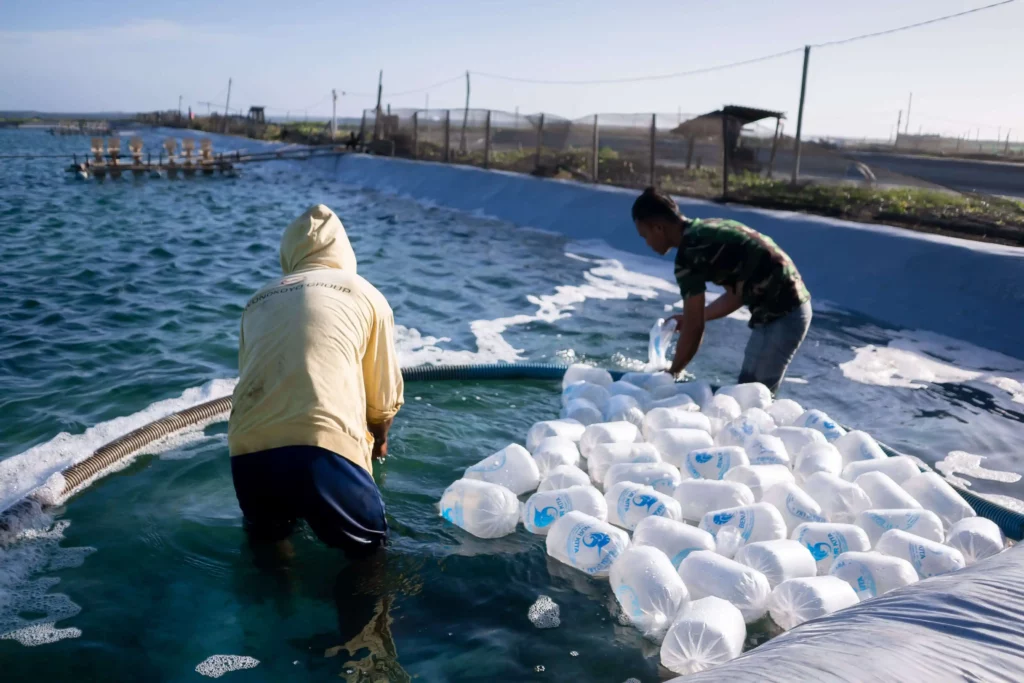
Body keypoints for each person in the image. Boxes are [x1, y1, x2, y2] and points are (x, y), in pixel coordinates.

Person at [228, 204, 404, 558]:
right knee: (369, 557)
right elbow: (383, 397)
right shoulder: (364, 292)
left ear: (288, 252)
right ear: (344, 250)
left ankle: (278, 604)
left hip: (248, 449)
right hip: (327, 448)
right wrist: (379, 441)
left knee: (270, 550)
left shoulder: (257, 299)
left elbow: (251, 376)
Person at [631, 187, 811, 393]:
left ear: (658, 228)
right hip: (787, 311)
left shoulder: (690, 254)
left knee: (753, 395)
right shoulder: (707, 230)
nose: (646, 243)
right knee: (749, 390)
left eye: (644, 235)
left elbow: (695, 328)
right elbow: (736, 295)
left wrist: (671, 373)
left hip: (783, 315)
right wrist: (693, 317)